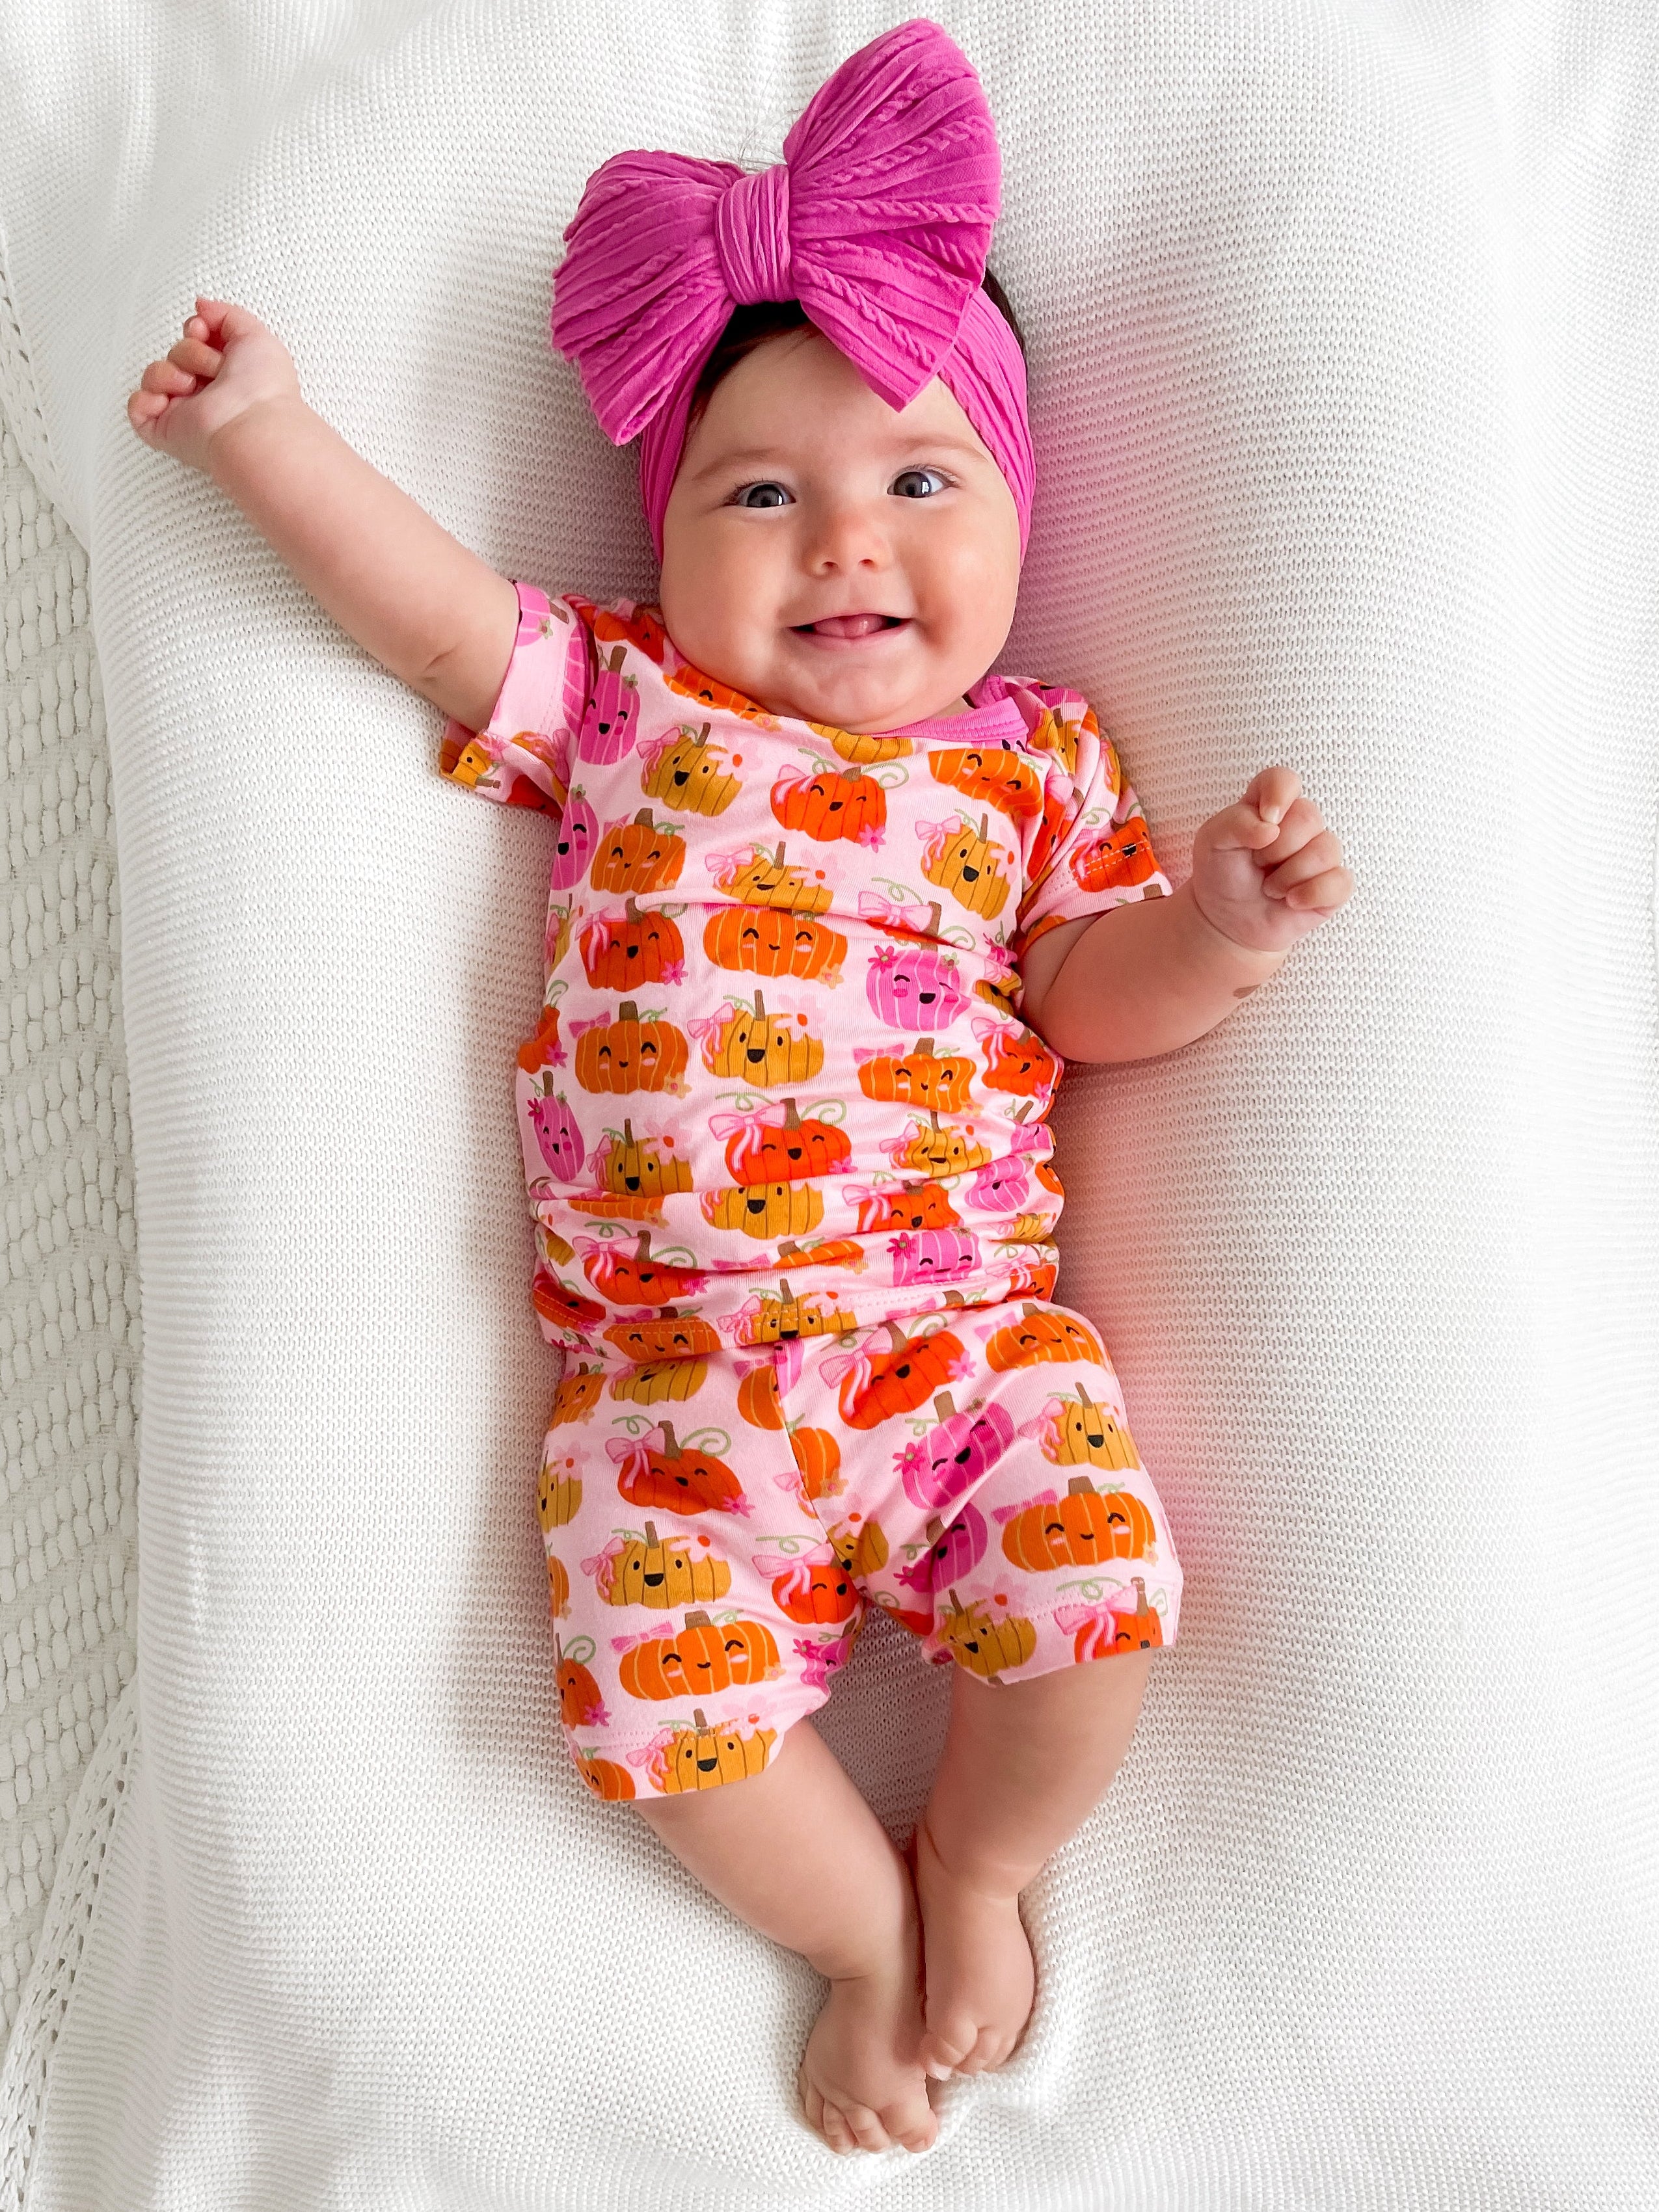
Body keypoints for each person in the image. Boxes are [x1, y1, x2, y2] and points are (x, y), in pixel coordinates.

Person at [126, 15, 1351, 2162]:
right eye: (760, 493)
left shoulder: (1030, 764)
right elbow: (426, 620)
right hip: (670, 1399)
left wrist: (1224, 927)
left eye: (918, 483)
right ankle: (872, 1940)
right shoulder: (624, 700)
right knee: (669, 1721)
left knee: (1091, 1612)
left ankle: (977, 1864)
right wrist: (269, 437)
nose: (844, 546)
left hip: (961, 1354)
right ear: (669, 534)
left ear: (1017, 519)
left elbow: (1091, 992)